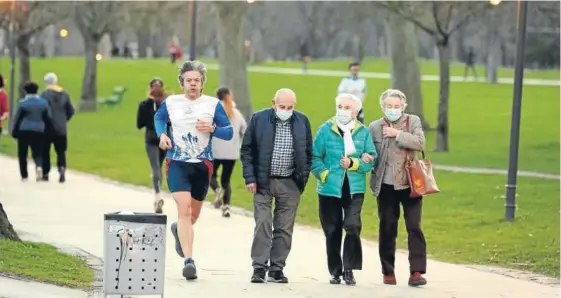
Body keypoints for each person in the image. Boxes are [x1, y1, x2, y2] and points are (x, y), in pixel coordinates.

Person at [154, 60, 233, 280]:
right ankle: (189, 261)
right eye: (188, 80)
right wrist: (162, 135)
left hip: (202, 165)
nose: (192, 84)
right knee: (185, 210)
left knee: (193, 215)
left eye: (196, 81)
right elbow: (159, 118)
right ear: (182, 83)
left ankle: (178, 229)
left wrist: (213, 128)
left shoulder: (212, 104)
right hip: (177, 163)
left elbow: (228, 132)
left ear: (202, 83)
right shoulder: (171, 102)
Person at [240, 88, 312, 284]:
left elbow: (307, 151)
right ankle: (259, 268)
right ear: (274, 103)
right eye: (282, 107)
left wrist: (301, 181)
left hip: (290, 182)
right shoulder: (259, 119)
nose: (286, 110)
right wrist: (250, 178)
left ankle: (277, 269)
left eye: (290, 107)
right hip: (263, 182)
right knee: (263, 223)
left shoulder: (302, 121)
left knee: (284, 227)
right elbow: (247, 150)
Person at [311, 93, 377, 286]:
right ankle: (335, 271)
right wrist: (324, 175)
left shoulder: (363, 133)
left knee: (352, 226)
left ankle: (349, 269)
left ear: (356, 112)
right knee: (332, 231)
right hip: (329, 189)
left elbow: (371, 159)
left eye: (348, 107)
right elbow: (314, 158)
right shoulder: (325, 130)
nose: (343, 110)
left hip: (354, 188)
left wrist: (355, 163)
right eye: (341, 106)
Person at [366, 89, 427, 287]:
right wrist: (366, 157)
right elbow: (369, 152)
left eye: (397, 106)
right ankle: (388, 271)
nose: (393, 109)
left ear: (404, 106)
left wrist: (398, 134)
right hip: (385, 186)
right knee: (387, 227)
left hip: (410, 184)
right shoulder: (374, 127)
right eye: (389, 106)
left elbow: (420, 143)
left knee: (414, 227)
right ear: (383, 107)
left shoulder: (413, 122)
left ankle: (416, 272)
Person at [210, 87, 247, 217]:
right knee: (226, 179)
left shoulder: (213, 113)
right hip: (232, 152)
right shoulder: (236, 113)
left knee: (210, 174)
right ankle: (226, 207)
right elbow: (244, 130)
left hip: (215, 151)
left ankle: (217, 190)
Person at [137, 77, 170, 213]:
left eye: (158, 86)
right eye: (154, 86)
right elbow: (140, 123)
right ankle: (158, 195)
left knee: (157, 168)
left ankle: (158, 194)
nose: (156, 89)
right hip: (157, 139)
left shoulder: (166, 104)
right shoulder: (146, 105)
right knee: (157, 168)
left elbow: (171, 122)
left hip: (159, 140)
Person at [10, 81, 53, 182]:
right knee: (38, 152)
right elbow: (48, 117)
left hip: (24, 130)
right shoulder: (43, 103)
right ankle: (39, 166)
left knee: (22, 153)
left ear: (26, 91)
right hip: (39, 129)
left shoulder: (22, 104)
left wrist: (14, 132)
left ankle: (24, 175)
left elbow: (17, 118)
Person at [40, 72, 75, 183]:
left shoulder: (44, 95)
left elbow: (41, 110)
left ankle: (45, 173)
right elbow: (71, 110)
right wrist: (64, 120)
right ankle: (62, 169)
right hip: (61, 128)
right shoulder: (64, 94)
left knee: (45, 151)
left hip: (47, 127)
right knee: (61, 151)